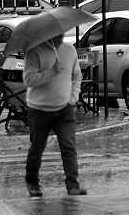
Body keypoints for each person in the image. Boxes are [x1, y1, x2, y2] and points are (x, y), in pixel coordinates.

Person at [23, 33, 86, 197]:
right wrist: (51, 72)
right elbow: (29, 79)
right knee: (37, 147)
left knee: (68, 146)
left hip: (64, 109)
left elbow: (77, 75)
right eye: (56, 34)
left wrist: (73, 98)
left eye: (62, 34)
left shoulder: (69, 50)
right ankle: (32, 181)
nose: (60, 37)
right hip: (39, 109)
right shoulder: (34, 52)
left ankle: (73, 184)